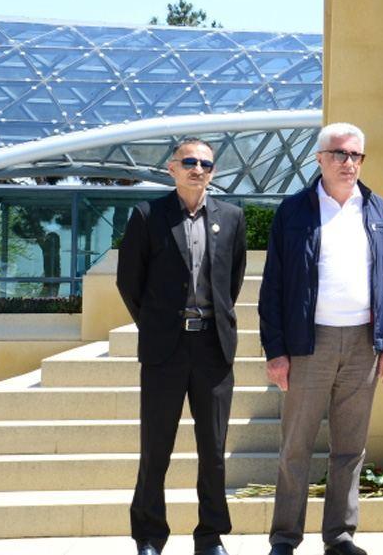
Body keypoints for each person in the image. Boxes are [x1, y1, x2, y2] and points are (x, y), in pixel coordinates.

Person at [258, 122, 383, 555]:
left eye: (356, 155)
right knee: (296, 447)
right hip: (309, 343)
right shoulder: (294, 211)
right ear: (319, 158)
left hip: (363, 344)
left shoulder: (381, 212)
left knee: (350, 448)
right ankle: (285, 537)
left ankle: (340, 536)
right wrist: (276, 351)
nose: (348, 163)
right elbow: (273, 286)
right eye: (339, 154)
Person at [117, 138, 247, 555]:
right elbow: (128, 282)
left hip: (213, 349)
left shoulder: (231, 217)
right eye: (189, 162)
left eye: (205, 164)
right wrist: (156, 325)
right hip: (165, 351)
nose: (198, 169)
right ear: (172, 168)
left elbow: (232, 278)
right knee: (156, 448)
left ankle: (210, 537)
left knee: (213, 450)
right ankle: (149, 537)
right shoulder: (148, 215)